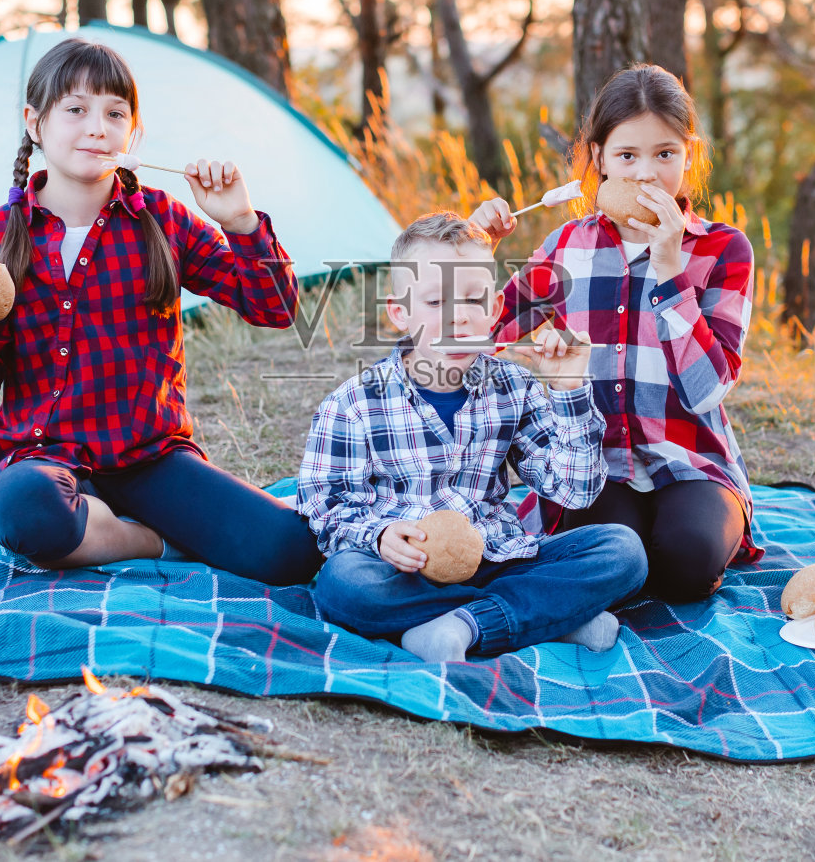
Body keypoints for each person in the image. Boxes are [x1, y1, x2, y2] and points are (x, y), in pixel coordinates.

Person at [0, 37, 321, 584]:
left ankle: (104, 528)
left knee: (291, 551)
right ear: (34, 123)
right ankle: (151, 541)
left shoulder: (162, 219)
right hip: (42, 460)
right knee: (24, 509)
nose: (97, 128)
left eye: (115, 113)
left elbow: (275, 308)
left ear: (132, 132)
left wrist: (241, 222)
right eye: (76, 110)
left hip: (150, 457)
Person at [296, 212, 647, 662]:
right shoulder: (354, 403)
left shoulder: (514, 387)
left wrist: (568, 390)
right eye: (435, 302)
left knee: (623, 552)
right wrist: (380, 535)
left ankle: (462, 626)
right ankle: (545, 616)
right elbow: (323, 505)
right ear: (400, 313)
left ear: (495, 309)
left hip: (499, 559)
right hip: (405, 574)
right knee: (344, 585)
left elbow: (573, 492)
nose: (458, 318)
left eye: (473, 300)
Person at [470, 64, 763, 602]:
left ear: (690, 155)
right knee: (612, 559)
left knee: (687, 564)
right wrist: (474, 255)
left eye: (665, 153)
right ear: (599, 158)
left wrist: (670, 269)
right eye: (627, 156)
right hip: (594, 463)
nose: (647, 174)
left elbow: (708, 391)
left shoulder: (724, 250)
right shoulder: (567, 246)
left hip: (690, 458)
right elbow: (479, 338)